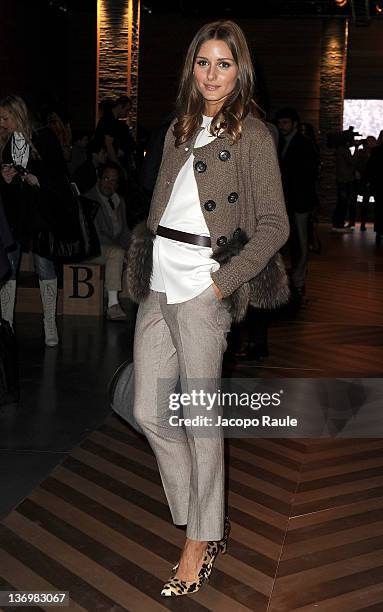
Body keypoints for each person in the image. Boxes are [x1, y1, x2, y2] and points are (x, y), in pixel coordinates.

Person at [126, 20, 289, 597]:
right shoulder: (178, 128)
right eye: (203, 62)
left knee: (201, 421)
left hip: (202, 288)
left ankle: (200, 538)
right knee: (147, 409)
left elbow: (275, 226)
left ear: (239, 70)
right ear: (191, 67)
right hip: (159, 285)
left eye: (223, 63)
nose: (212, 74)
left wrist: (224, 284)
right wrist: (145, 269)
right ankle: (203, 515)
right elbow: (159, 203)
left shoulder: (254, 137)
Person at [0, 95, 71, 346]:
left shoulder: (44, 137)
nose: (2, 122)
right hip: (13, 216)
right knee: (8, 267)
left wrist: (37, 179)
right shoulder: (4, 141)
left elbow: (59, 175)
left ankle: (49, 323)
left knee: (45, 266)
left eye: (6, 117)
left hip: (41, 215)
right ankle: (6, 325)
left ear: (18, 115)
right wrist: (6, 178)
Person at [276, 107, 319, 299]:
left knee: (301, 242)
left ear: (294, 124)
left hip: (300, 201)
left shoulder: (304, 143)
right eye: (280, 123)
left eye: (285, 122)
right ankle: (288, 282)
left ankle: (299, 281)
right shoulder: (278, 142)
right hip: (284, 200)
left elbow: (309, 175)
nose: (281, 126)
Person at [85, 163, 130, 320]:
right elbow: (96, 234)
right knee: (117, 253)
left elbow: (124, 231)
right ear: (99, 179)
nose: (109, 183)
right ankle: (112, 304)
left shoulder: (119, 201)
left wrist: (132, 249)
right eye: (106, 178)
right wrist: (121, 250)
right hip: (91, 249)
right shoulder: (89, 199)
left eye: (113, 180)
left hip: (111, 248)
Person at [95, 95, 133, 176]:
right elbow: (108, 145)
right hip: (105, 161)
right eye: (127, 110)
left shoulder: (111, 120)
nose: (127, 114)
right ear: (120, 106)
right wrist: (118, 165)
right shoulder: (109, 120)